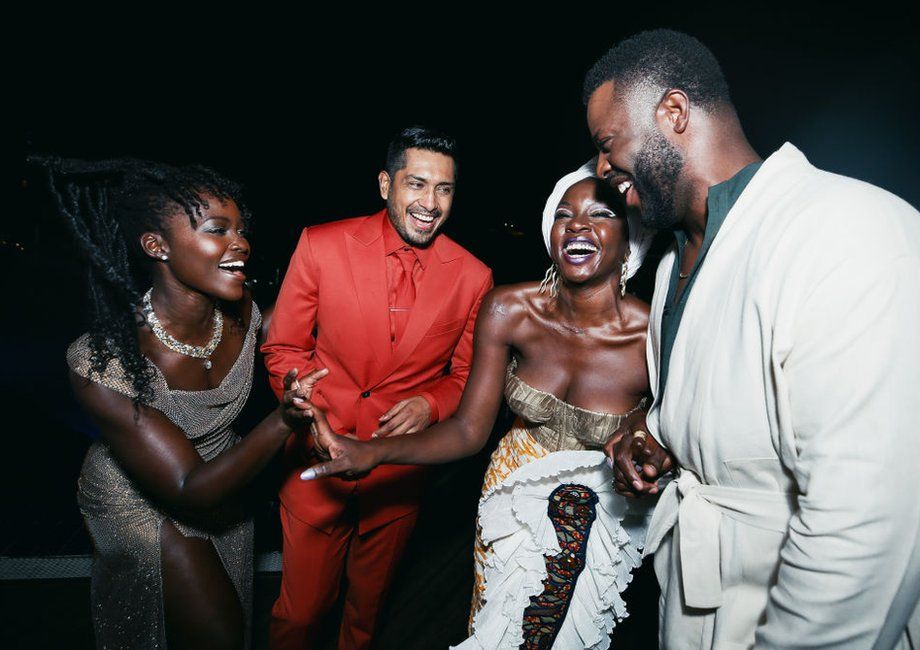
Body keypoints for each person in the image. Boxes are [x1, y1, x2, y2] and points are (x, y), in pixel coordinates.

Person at [586, 30, 920, 648]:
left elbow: (867, 531)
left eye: (607, 145)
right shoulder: (670, 266)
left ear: (674, 112)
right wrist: (662, 437)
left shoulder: (849, 231)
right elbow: (721, 402)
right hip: (707, 598)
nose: (601, 170)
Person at [300, 161, 655, 649]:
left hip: (606, 506)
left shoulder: (654, 335)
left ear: (629, 238)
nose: (577, 225)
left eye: (600, 214)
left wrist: (643, 430)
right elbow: (469, 429)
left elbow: (666, 429)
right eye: (564, 214)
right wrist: (371, 452)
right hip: (511, 491)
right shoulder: (510, 309)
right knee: (498, 627)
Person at [36, 156, 328, 650]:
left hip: (227, 473)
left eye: (241, 229)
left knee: (221, 620)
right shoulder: (102, 359)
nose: (241, 244)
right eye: (219, 230)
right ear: (157, 246)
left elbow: (300, 317)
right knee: (219, 632)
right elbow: (188, 488)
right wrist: (284, 421)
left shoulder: (240, 309)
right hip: (141, 496)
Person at [261, 126, 493, 649]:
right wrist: (307, 407)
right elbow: (282, 350)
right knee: (299, 617)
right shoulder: (320, 245)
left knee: (365, 621)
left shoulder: (474, 277)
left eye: (445, 189)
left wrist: (431, 403)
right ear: (386, 184)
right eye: (416, 184)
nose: (429, 203)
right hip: (315, 467)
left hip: (396, 478)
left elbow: (465, 377)